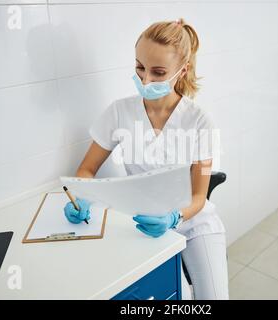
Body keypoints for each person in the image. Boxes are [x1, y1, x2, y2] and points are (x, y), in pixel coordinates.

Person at [63, 18, 229, 300]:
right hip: (143, 223)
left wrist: (175, 217)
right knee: (171, 296)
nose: (145, 79)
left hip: (194, 223)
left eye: (158, 72)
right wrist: (82, 198)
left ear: (182, 70)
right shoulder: (119, 112)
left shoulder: (199, 121)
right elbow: (87, 169)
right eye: (140, 67)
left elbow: (199, 197)